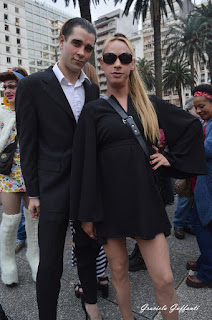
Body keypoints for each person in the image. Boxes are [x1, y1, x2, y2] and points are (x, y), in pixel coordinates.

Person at [70, 35, 207, 320]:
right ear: (103, 65)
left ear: (133, 64)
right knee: (118, 273)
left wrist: (172, 160)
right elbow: (84, 164)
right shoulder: (93, 110)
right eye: (110, 58)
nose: (116, 64)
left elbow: (193, 126)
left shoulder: (150, 104)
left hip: (144, 199)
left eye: (124, 58)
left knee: (165, 278)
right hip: (108, 204)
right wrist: (86, 215)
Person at [15, 18, 102, 320]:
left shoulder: (92, 90)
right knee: (50, 262)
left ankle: (91, 305)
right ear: (62, 41)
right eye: (76, 43)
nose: (81, 52)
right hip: (51, 189)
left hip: (85, 187)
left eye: (88, 48)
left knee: (89, 252)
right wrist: (33, 192)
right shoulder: (31, 86)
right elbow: (27, 143)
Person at [71, 61, 109, 300]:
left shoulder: (82, 108)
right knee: (100, 236)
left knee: (81, 238)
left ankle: (87, 282)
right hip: (103, 178)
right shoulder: (104, 104)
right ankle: (102, 278)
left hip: (80, 178)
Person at [0, 67, 39, 287]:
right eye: (5, 86)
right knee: (10, 220)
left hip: (32, 176)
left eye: (12, 85)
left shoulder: (35, 112)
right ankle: (7, 262)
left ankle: (35, 259)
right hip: (8, 176)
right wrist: (9, 123)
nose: (7, 90)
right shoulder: (1, 113)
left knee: (33, 220)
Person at [186, 84, 212, 288]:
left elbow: (206, 149)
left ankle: (208, 273)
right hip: (204, 183)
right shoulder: (207, 122)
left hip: (209, 185)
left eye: (202, 106)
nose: (199, 111)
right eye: (197, 107)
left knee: (201, 225)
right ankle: (205, 261)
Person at [173, 97, 197, 240]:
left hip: (193, 166)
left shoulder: (199, 122)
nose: (199, 110)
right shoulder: (184, 123)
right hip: (185, 165)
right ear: (189, 109)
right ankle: (178, 224)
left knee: (190, 199)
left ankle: (186, 223)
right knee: (184, 198)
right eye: (196, 107)